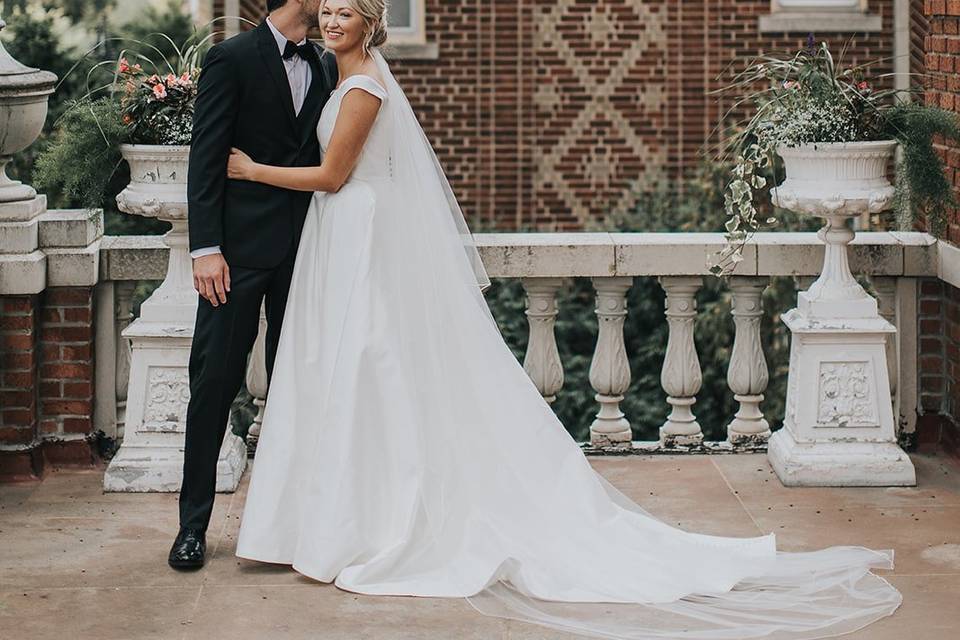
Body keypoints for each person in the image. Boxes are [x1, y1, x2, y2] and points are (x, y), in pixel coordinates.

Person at [225, 1, 903, 637]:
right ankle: (329, 522)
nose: (334, 19)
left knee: (367, 366)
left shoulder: (365, 87)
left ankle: (363, 525)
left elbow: (335, 176)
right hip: (340, 239)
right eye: (330, 10)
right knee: (347, 373)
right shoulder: (333, 73)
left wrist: (253, 171)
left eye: (348, 12)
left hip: (355, 232)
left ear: (370, 25)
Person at [169, 0, 338, 570]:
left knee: (303, 385)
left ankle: (299, 528)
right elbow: (207, 158)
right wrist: (206, 249)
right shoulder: (231, 59)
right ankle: (191, 527)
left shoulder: (326, 64)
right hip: (235, 257)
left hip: (307, 253)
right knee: (214, 382)